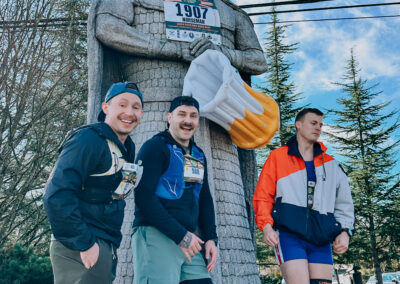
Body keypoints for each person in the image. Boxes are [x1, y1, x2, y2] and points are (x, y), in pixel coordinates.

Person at [43, 81, 144, 284]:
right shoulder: (88, 139)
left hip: (105, 243)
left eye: (136, 107)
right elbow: (56, 195)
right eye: (122, 104)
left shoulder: (127, 147)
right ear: (105, 107)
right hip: (80, 246)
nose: (129, 112)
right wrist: (85, 243)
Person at [253, 108, 355, 284]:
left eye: (321, 125)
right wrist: (266, 226)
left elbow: (344, 202)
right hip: (289, 235)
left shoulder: (331, 163)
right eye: (313, 123)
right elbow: (263, 195)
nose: (318, 128)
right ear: (298, 125)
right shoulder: (278, 157)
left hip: (321, 238)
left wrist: (345, 232)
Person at [132, 96, 218, 284]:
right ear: (170, 117)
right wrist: (180, 235)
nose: (188, 120)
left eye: (193, 116)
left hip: (189, 238)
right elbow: (143, 196)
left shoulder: (198, 154)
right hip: (156, 233)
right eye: (182, 114)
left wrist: (211, 237)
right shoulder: (155, 147)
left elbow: (204, 198)